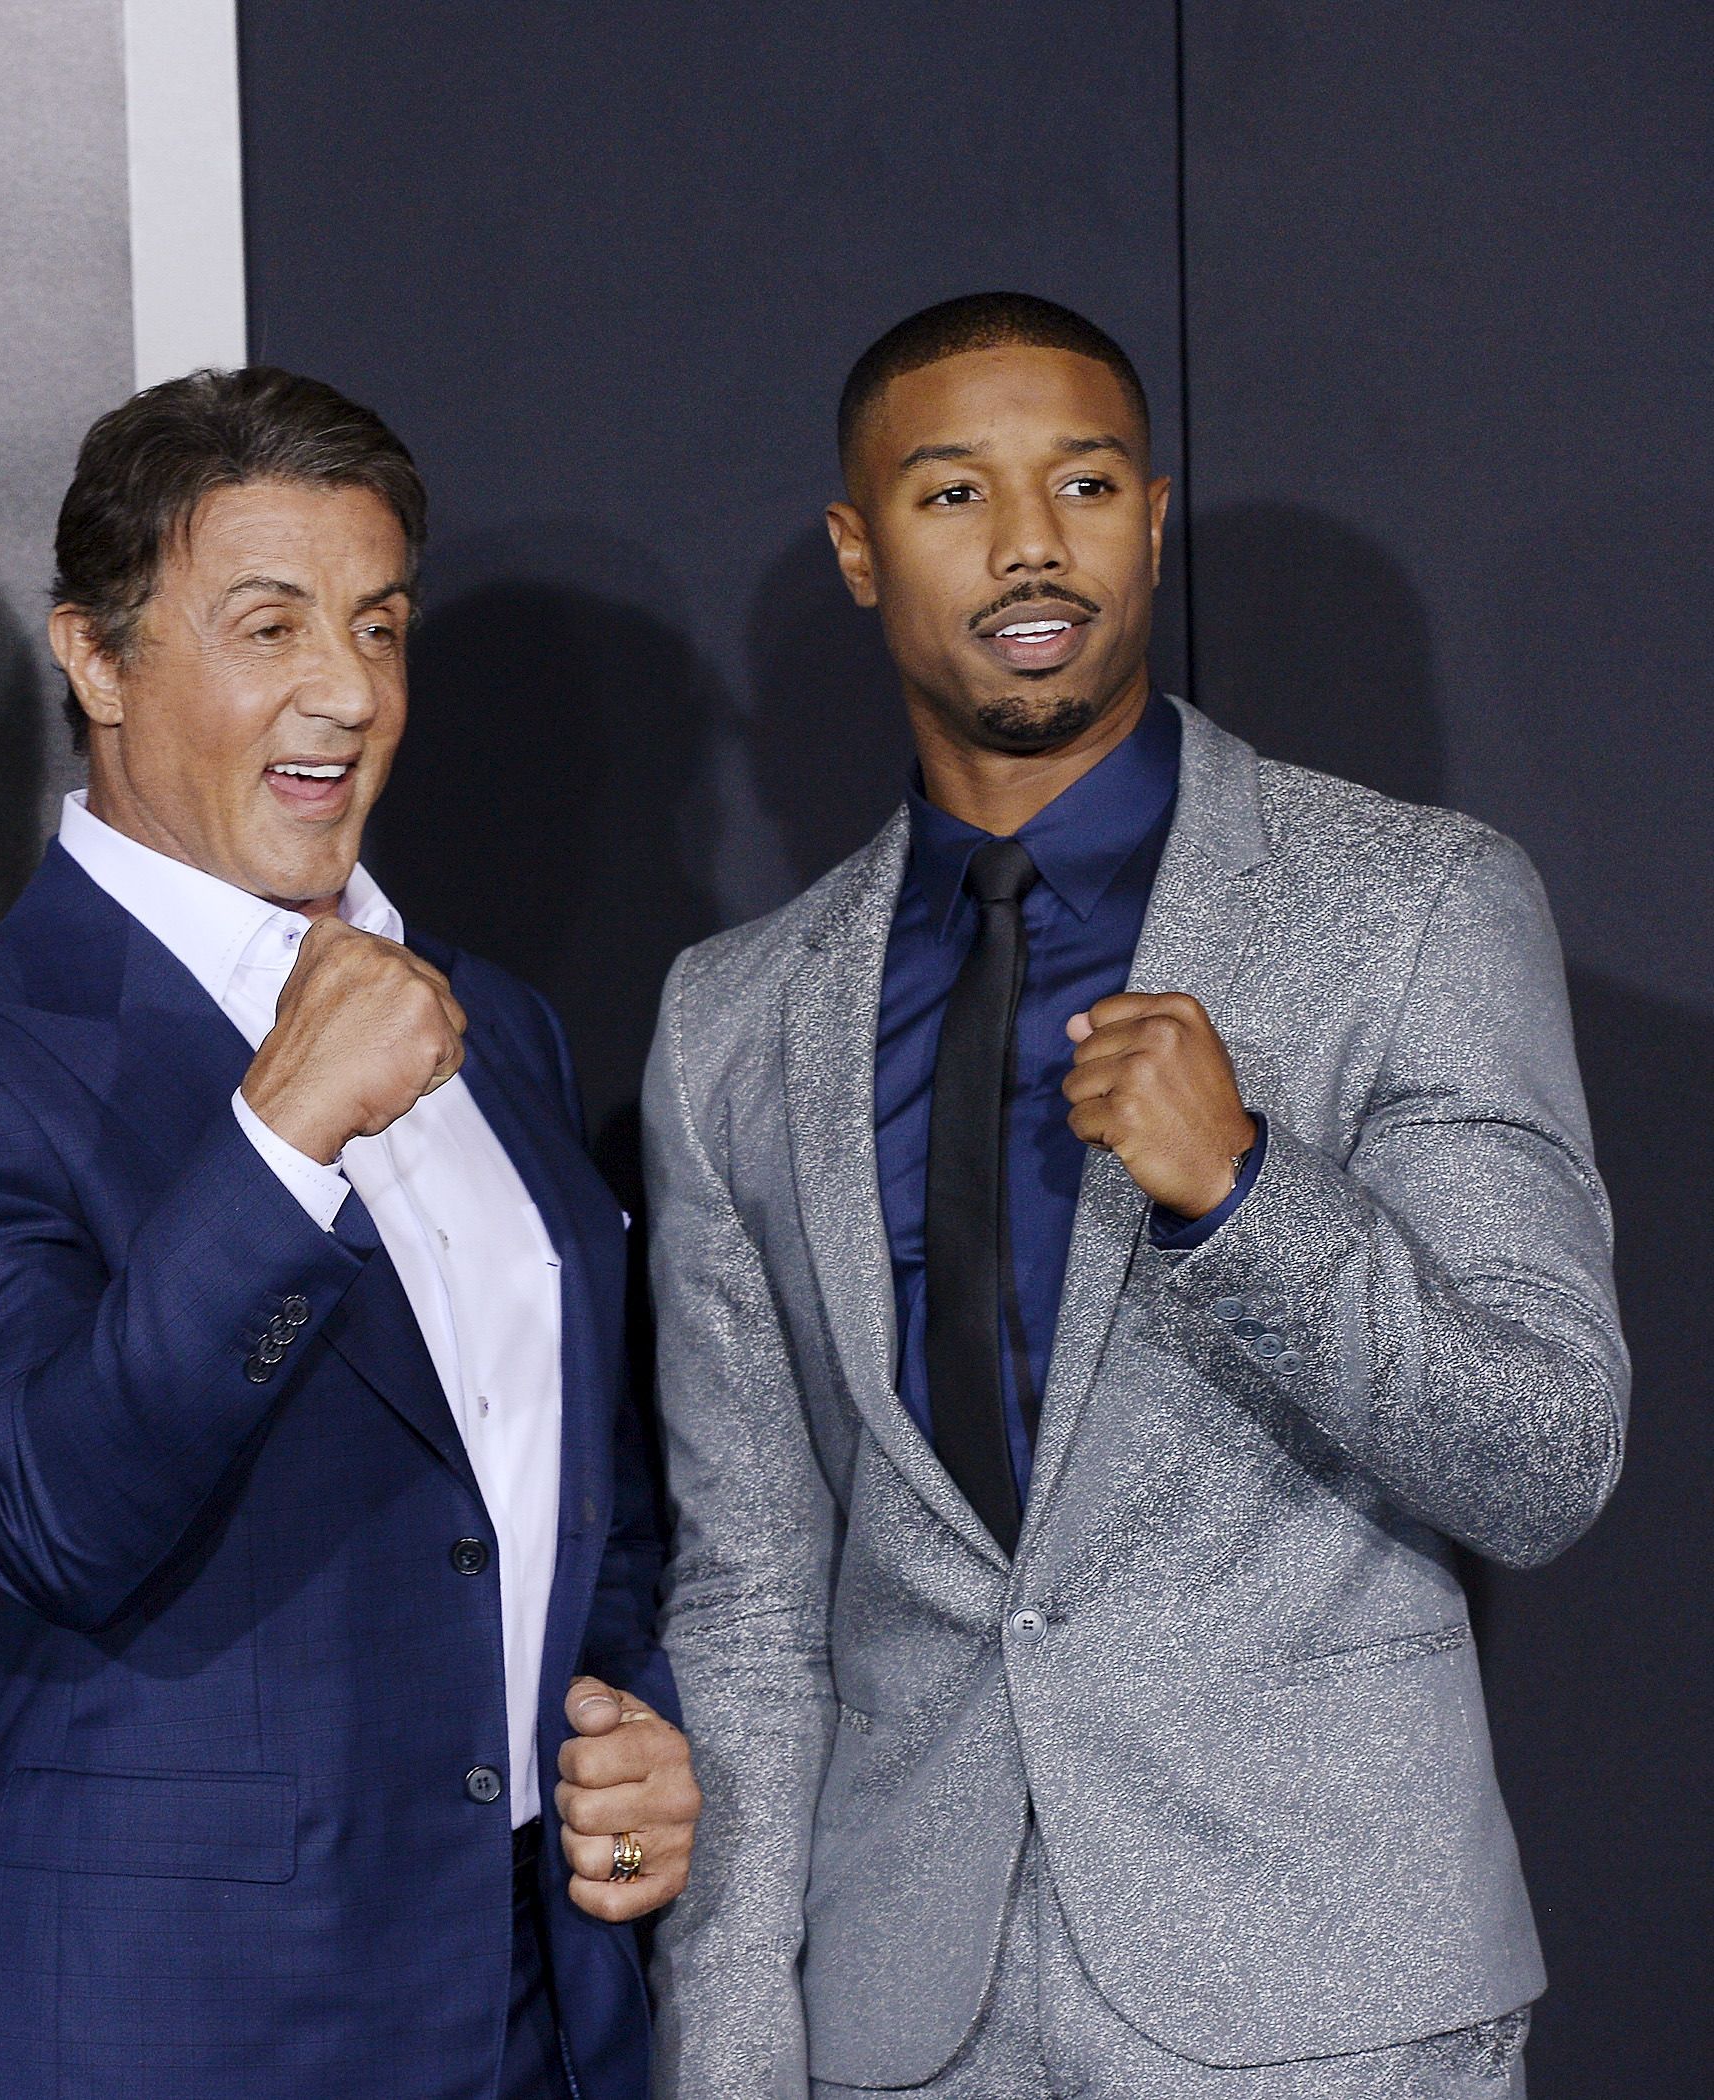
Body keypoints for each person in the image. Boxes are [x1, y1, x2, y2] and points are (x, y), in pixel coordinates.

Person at [643, 293, 1627, 2098]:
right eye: (954, 496)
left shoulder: (1413, 907)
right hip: (899, 2016)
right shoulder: (733, 1016)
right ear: (859, 553)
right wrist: (729, 2047)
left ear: (1152, 520)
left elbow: (1546, 1456)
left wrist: (1249, 1195)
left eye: (1085, 482)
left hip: (1323, 1996)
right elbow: (754, 1601)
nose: (1032, 542)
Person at [0, 367, 697, 2099]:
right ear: (95, 658)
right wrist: (282, 1136)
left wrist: (624, 1723)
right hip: (177, 2029)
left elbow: (576, 1495)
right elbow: (38, 1517)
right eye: (269, 624)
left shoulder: (493, 1026)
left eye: (378, 624)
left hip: (534, 2015)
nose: (346, 693)